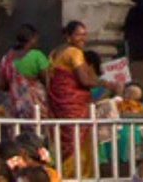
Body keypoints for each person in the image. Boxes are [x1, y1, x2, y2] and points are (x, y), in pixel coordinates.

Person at [46, 22, 97, 175]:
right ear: (68, 36)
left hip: (60, 108)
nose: (83, 38)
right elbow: (85, 81)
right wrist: (107, 83)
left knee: (65, 145)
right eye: (79, 34)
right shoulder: (74, 53)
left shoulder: (54, 53)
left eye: (84, 34)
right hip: (73, 108)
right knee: (77, 144)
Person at [0, 25, 50, 119]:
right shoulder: (37, 56)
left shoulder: (6, 58)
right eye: (35, 38)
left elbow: (1, 85)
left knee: (17, 131)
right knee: (37, 131)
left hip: (14, 106)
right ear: (31, 39)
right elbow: (47, 80)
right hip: (34, 106)